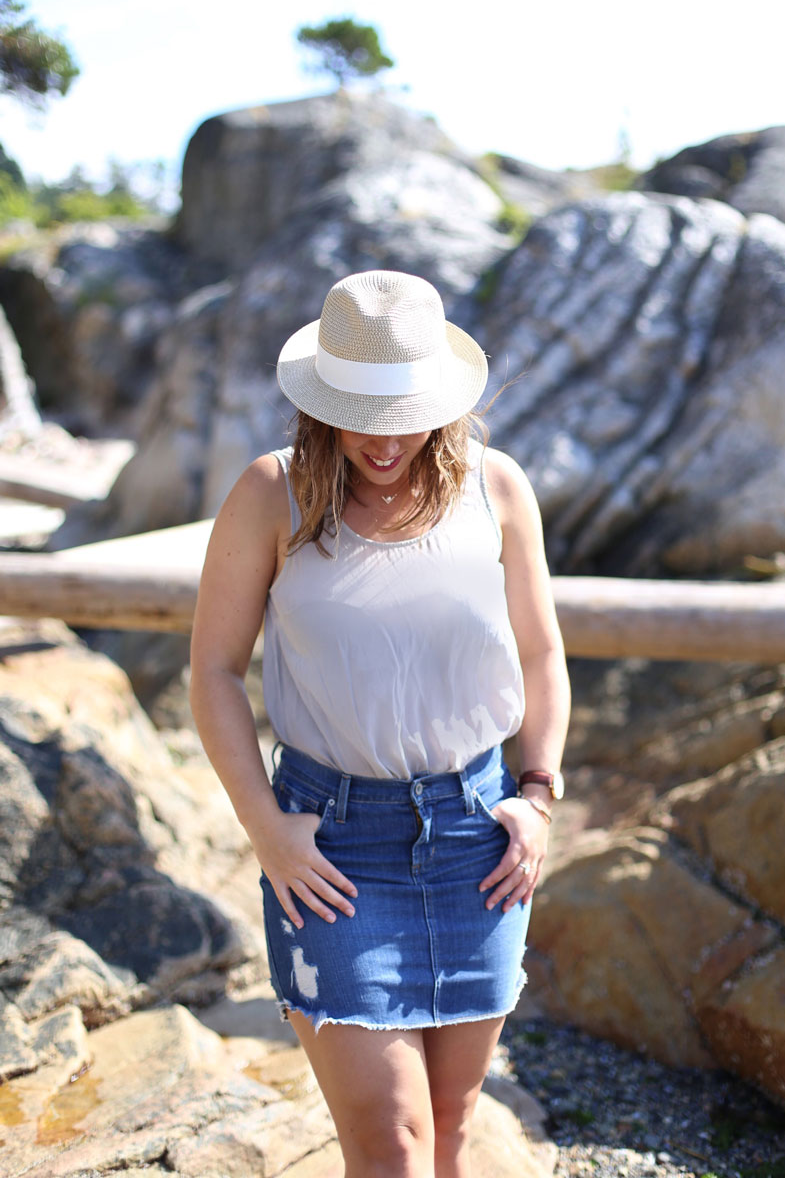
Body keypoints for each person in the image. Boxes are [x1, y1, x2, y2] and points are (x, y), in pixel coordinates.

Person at [189, 269, 571, 1178]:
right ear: (322, 397)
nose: (383, 438)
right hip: (333, 849)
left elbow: (542, 656)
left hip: (479, 839)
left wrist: (539, 794)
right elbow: (211, 673)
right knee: (390, 1141)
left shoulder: (497, 489)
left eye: (403, 411)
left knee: (448, 1125)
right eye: (360, 409)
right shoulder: (270, 495)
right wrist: (266, 831)